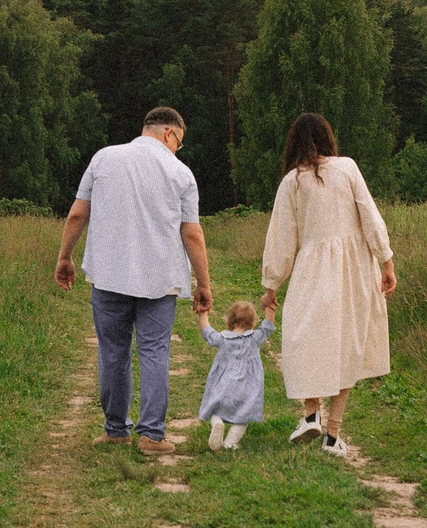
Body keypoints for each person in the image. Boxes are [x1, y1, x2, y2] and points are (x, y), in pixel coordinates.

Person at [55, 106, 213, 456]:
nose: (177, 149)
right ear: (170, 133)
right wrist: (204, 283)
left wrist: (65, 257)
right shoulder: (181, 173)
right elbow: (193, 234)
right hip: (160, 279)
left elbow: (78, 213)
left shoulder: (103, 159)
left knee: (113, 352)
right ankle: (152, 436)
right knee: (155, 352)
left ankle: (116, 430)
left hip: (109, 276)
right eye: (179, 142)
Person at [259, 111, 396, 459]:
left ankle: (310, 412)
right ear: (327, 139)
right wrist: (386, 259)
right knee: (347, 344)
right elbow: (369, 214)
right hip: (353, 269)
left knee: (306, 337)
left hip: (312, 269)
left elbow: (281, 238)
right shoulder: (347, 168)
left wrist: (272, 284)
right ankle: (331, 433)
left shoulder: (291, 182)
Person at [196, 299, 273, 450]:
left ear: (229, 321)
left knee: (215, 409)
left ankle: (217, 423)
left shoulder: (222, 340)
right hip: (247, 387)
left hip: (224, 384)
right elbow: (268, 326)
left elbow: (207, 332)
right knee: (243, 416)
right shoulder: (255, 339)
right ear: (252, 323)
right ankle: (230, 443)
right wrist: (269, 306)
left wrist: (203, 313)